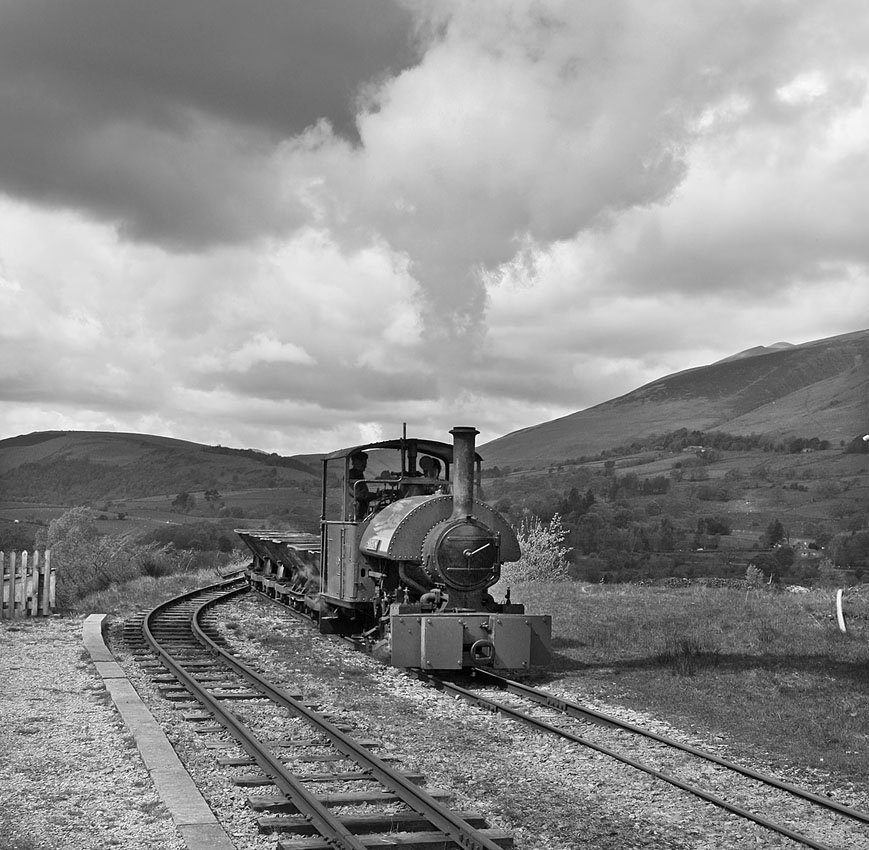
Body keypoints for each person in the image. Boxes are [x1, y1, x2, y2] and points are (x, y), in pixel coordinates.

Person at [348, 451, 374, 520]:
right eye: (362, 461)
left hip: (360, 512)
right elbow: (359, 494)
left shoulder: (359, 475)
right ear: (354, 462)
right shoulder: (351, 475)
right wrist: (375, 495)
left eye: (365, 462)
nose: (365, 465)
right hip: (354, 514)